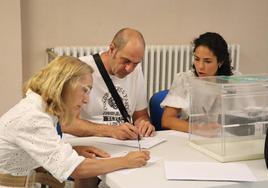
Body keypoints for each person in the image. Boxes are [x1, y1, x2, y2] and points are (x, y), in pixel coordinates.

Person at [0, 56, 150, 188]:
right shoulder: (33, 117)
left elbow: (37, 150)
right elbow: (75, 169)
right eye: (84, 90)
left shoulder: (40, 109)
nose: (86, 100)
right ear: (64, 84)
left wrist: (73, 150)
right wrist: (126, 161)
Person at [61, 28, 155, 140]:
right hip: (88, 141)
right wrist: (111, 131)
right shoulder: (82, 68)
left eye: (135, 63)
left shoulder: (136, 71)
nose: (129, 69)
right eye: (126, 61)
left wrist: (143, 125)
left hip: (124, 142)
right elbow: (65, 122)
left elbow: (140, 115)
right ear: (112, 49)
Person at [161, 32, 234, 132]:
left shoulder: (233, 80)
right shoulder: (184, 79)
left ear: (220, 62)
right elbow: (167, 120)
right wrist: (199, 129)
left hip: (223, 137)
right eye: (197, 59)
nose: (200, 66)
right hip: (193, 138)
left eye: (207, 61)